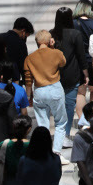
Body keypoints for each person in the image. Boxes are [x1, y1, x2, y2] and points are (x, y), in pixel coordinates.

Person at [23, 30, 68, 159]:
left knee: (42, 124)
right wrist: (53, 47)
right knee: (60, 122)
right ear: (50, 41)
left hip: (39, 91)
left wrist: (28, 97)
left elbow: (28, 80)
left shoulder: (29, 58)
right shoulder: (56, 53)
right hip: (55, 89)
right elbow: (63, 62)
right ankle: (56, 152)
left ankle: (44, 151)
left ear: (37, 42)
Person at [50, 6, 88, 149]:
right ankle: (65, 135)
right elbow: (81, 56)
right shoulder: (75, 34)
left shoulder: (51, 35)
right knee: (69, 106)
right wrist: (86, 74)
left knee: (58, 107)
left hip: (55, 76)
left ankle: (59, 134)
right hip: (72, 75)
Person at [73, 0, 93, 117]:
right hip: (92, 60)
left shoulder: (72, 24)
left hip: (77, 62)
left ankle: (82, 122)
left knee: (81, 93)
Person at [3, 17, 34, 82]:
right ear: (23, 31)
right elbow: (24, 66)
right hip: (12, 81)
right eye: (26, 36)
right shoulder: (21, 44)